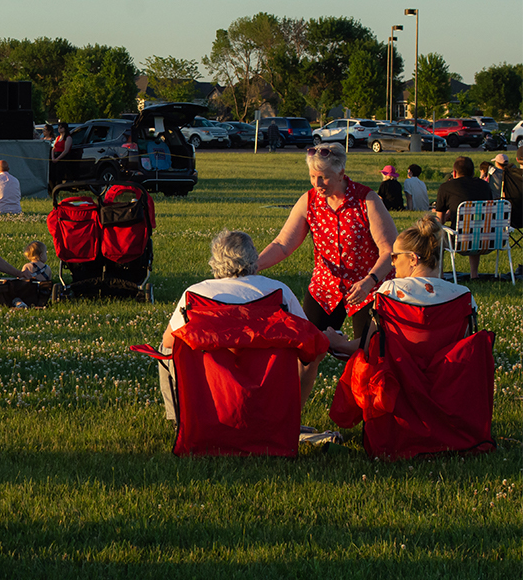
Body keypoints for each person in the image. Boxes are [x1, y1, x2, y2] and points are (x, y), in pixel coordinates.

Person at [162, 229, 321, 413]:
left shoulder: (196, 294)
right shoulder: (278, 292)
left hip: (213, 387)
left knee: (166, 347)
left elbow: (169, 341)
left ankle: (180, 420)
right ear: (253, 257)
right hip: (267, 386)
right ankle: (291, 417)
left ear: (215, 259)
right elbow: (309, 340)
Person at [257, 143, 396, 345]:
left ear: (341, 173)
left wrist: (369, 281)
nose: (317, 183)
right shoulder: (309, 201)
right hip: (326, 286)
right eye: (313, 176)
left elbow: (389, 251)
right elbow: (283, 244)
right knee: (307, 346)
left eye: (324, 176)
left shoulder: (367, 199)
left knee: (368, 350)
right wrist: (253, 266)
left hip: (367, 286)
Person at [325, 216, 473, 357]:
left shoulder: (391, 291)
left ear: (413, 259)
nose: (392, 263)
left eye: (395, 256)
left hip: (399, 376)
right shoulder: (463, 296)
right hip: (446, 378)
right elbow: (467, 348)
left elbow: (369, 345)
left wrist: (338, 343)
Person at [434, 155, 494, 279]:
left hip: (459, 241)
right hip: (487, 240)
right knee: (476, 225)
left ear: (454, 173)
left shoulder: (446, 187)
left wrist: (448, 216)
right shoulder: (485, 186)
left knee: (436, 234)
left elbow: (440, 220)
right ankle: (474, 274)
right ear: (473, 172)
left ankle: (440, 275)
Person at [50, 123, 75, 192]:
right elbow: (53, 147)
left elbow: (66, 150)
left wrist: (58, 159)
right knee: (52, 174)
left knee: (59, 174)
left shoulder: (68, 138)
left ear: (65, 128)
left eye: (61, 127)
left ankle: (58, 190)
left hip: (62, 158)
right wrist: (53, 157)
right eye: (58, 128)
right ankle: (52, 189)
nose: (59, 129)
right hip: (55, 156)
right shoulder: (58, 137)